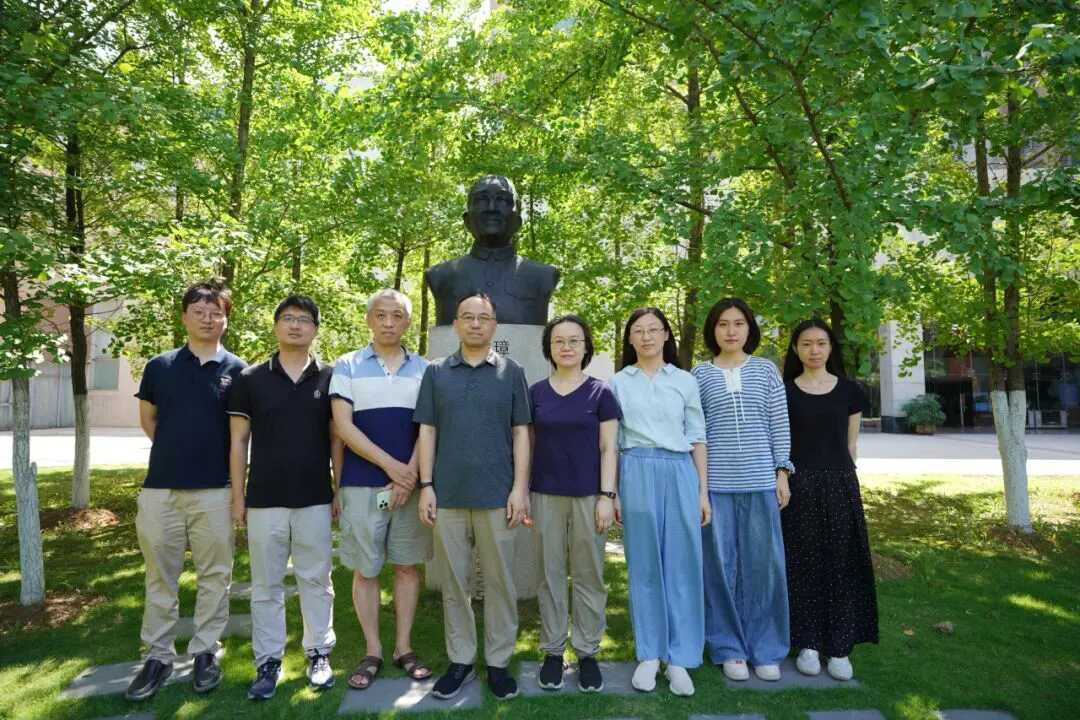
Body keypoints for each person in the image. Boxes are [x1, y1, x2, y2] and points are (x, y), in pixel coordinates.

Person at [125, 280, 247, 702]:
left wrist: (236, 494)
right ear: (185, 317)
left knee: (216, 576)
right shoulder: (159, 366)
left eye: (216, 313)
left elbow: (240, 436)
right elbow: (149, 421)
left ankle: (206, 652)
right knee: (161, 577)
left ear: (226, 319)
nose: (208, 319)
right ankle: (157, 656)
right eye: (200, 312)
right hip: (161, 491)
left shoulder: (239, 370)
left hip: (215, 491)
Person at [413, 292, 532, 701]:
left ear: (494, 324)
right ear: (457, 324)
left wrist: (519, 488)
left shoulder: (512, 372)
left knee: (501, 584)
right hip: (447, 495)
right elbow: (427, 430)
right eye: (468, 317)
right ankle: (461, 660)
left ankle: (498, 662)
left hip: (499, 496)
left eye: (483, 317)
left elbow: (521, 432)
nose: (476, 323)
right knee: (454, 584)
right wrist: (426, 485)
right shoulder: (436, 372)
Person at [227, 295, 340, 700]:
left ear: (315, 329)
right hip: (264, 499)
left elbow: (337, 439)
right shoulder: (250, 378)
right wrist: (238, 496)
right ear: (276, 325)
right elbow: (238, 442)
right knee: (266, 586)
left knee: (317, 580)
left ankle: (318, 653)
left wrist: (339, 490)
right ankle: (268, 661)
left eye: (304, 319)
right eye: (288, 318)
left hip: (315, 498)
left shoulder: (331, 377)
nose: (295, 325)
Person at [329, 289, 433, 690]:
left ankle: (403, 647)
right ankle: (372, 650)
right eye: (381, 315)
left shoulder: (425, 369)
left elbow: (428, 428)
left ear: (408, 321)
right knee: (367, 569)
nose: (389, 322)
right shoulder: (347, 366)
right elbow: (344, 426)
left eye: (397, 315)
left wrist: (410, 474)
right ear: (369, 319)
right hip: (362, 485)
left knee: (407, 567)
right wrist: (394, 468)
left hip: (411, 485)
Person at [691, 298, 794, 683]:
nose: (731, 331)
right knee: (721, 569)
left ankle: (766, 647)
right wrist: (700, 489)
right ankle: (728, 647)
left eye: (738, 323)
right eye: (723, 324)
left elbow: (779, 424)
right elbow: (696, 434)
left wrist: (782, 472)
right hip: (717, 486)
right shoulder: (699, 375)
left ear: (749, 328)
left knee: (764, 569)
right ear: (712, 330)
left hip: (760, 483)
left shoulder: (766, 371)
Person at [609, 307, 709, 697]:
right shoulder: (618, 382)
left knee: (683, 565)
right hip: (635, 470)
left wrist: (702, 492)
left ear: (667, 335)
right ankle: (650, 653)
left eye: (654, 329)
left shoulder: (685, 380)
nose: (647, 336)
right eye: (639, 330)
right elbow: (613, 442)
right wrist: (613, 492)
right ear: (630, 338)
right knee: (644, 565)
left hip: (679, 471)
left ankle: (680, 658)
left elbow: (697, 436)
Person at [781, 318, 879, 681]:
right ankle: (807, 643)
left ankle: (839, 647)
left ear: (830, 348)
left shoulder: (850, 391)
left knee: (841, 562)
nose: (814, 350)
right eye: (806, 344)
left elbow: (851, 445)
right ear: (796, 349)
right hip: (798, 485)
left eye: (821, 343)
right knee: (802, 562)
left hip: (839, 483)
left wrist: (847, 480)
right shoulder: (785, 392)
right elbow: (782, 442)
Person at [529, 315, 621, 693]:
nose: (566, 347)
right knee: (549, 575)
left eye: (574, 341)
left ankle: (587, 652)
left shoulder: (601, 393)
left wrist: (607, 496)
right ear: (549, 348)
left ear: (586, 347)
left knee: (589, 576)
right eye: (559, 341)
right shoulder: (535, 393)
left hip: (589, 496)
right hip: (545, 495)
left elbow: (609, 448)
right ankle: (553, 652)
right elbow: (527, 445)